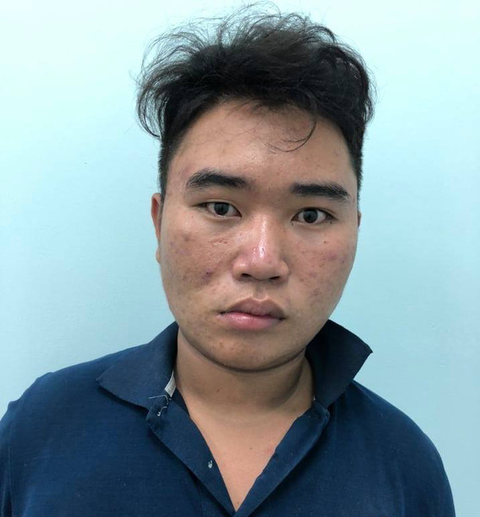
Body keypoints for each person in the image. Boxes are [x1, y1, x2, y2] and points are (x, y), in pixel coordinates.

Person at [0, 7, 455, 517]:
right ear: (159, 222)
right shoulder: (41, 428)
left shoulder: (405, 466)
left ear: (354, 232)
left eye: (311, 214)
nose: (261, 261)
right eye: (220, 207)